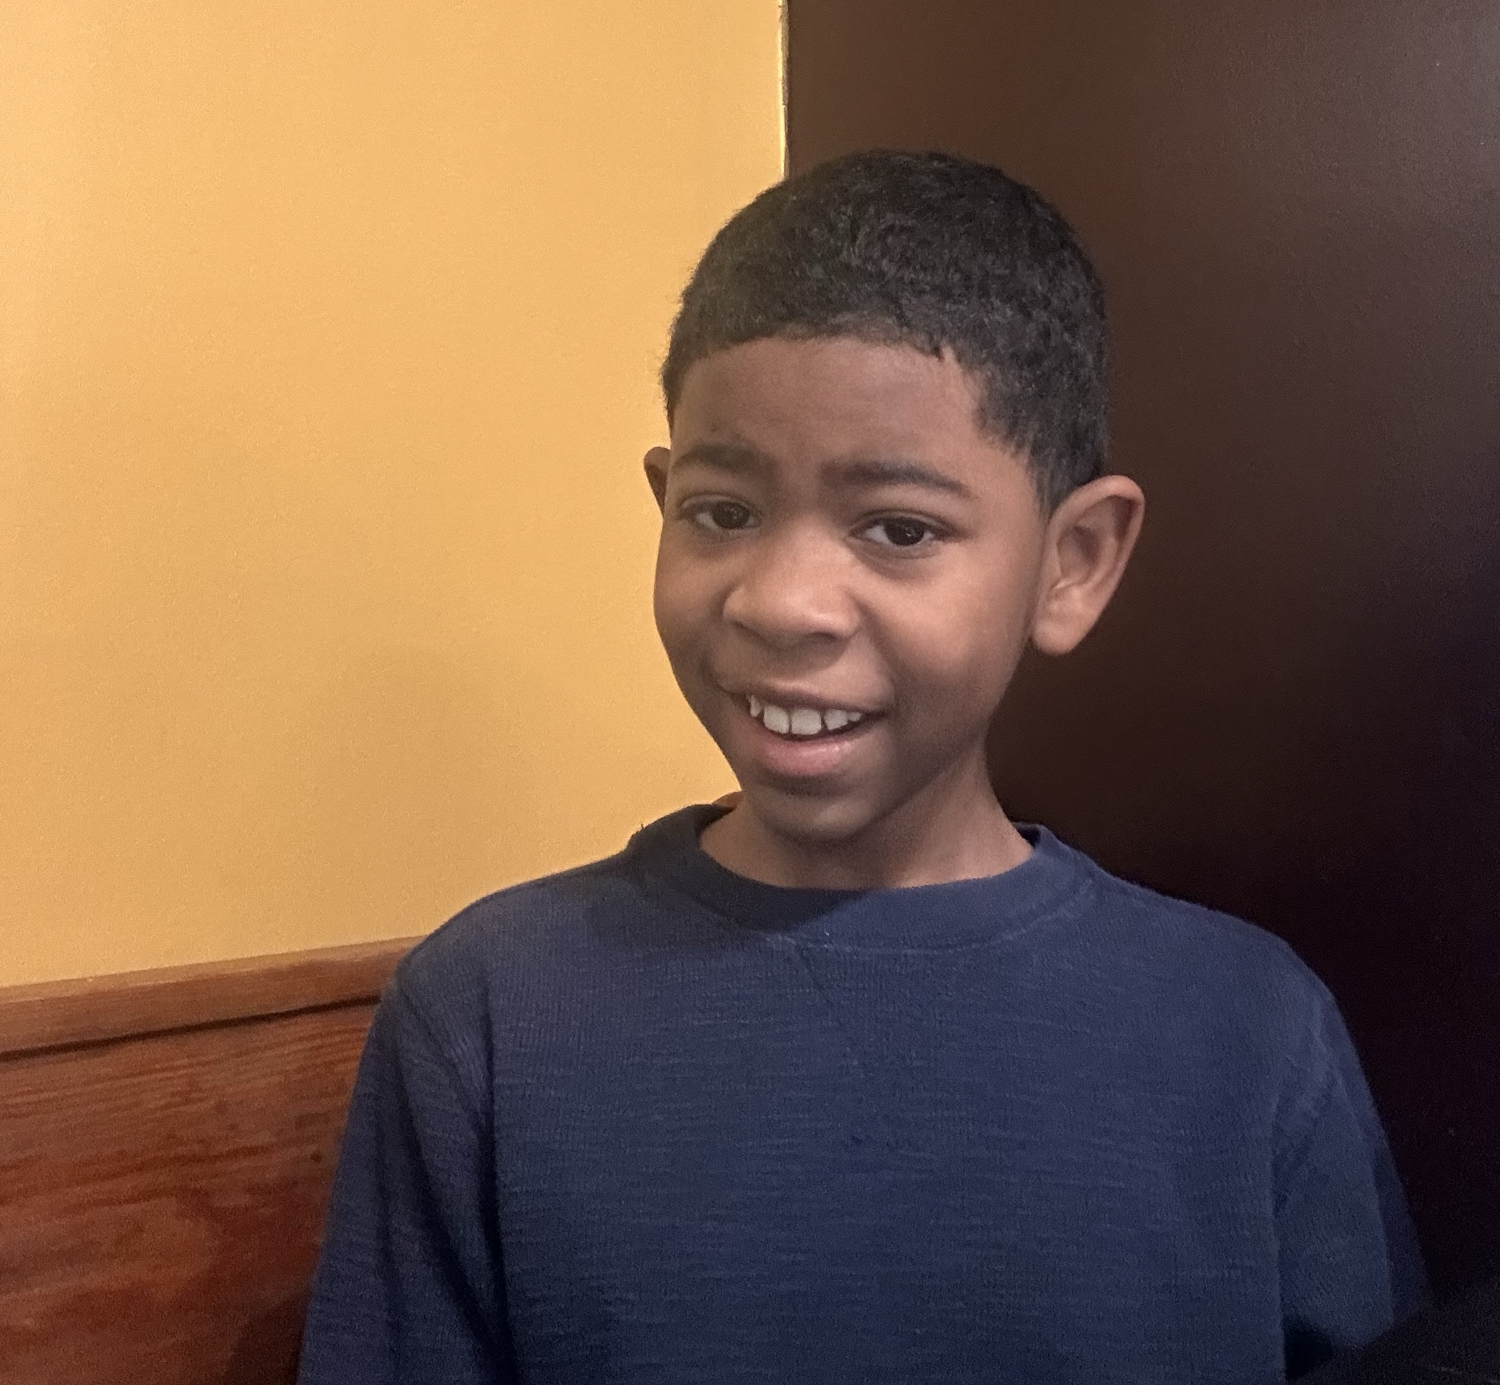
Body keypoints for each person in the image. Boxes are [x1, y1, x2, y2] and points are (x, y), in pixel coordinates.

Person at [297, 149, 1426, 1384]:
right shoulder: (487, 1014)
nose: (782, 603)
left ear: (1073, 562)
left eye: (899, 527)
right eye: (723, 511)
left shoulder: (1250, 1034)